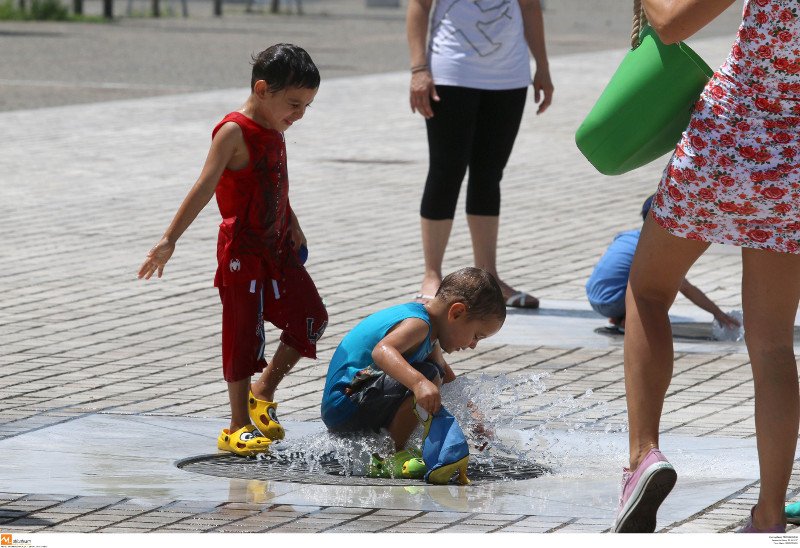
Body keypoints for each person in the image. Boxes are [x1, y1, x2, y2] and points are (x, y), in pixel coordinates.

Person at [614, 0, 800, 534]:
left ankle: (644, 456)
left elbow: (671, 23)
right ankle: (768, 514)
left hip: (726, 145)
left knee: (648, 291)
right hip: (790, 170)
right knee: (772, 344)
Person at [137, 44, 328, 456]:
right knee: (243, 334)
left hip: (277, 247)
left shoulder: (275, 127)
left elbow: (273, 182)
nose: (299, 115)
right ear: (262, 89)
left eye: (307, 106)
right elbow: (205, 186)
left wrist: (292, 221)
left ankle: (263, 391)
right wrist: (169, 239)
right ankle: (236, 426)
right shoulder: (234, 131)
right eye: (294, 104)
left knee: (311, 317)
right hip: (242, 251)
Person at [406, 0, 554, 308]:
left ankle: (490, 277)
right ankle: (431, 274)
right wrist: (419, 68)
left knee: (489, 175)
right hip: (451, 73)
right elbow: (419, 5)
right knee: (446, 171)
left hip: (509, 78)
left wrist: (542, 65)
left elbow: (529, 7)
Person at [320, 267, 505, 451]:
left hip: (356, 402)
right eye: (476, 336)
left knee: (435, 372)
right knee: (428, 375)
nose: (473, 345)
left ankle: (391, 446)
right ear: (456, 312)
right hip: (345, 406)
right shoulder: (418, 324)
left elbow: (447, 377)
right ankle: (392, 454)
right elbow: (382, 351)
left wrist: (473, 418)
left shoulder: (431, 332)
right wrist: (419, 383)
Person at [586, 195, 741, 333]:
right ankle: (632, 320)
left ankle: (620, 315)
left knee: (635, 272)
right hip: (612, 302)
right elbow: (685, 287)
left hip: (593, 297)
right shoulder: (651, 249)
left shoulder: (626, 236)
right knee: (661, 283)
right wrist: (718, 313)